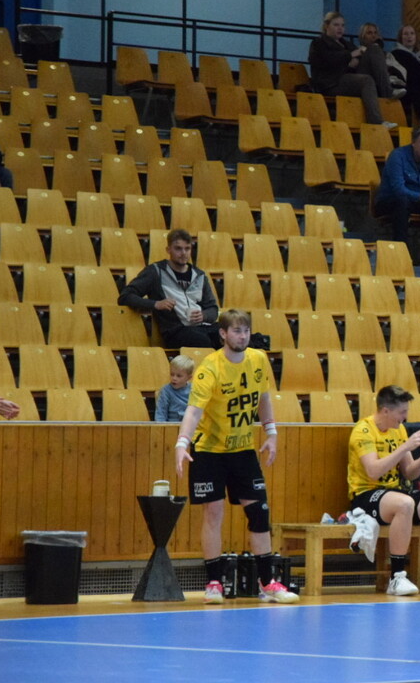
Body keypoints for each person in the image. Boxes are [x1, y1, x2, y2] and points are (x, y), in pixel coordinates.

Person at [174, 309, 299, 605]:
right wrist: (182, 443)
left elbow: (263, 398)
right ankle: (214, 583)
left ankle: (268, 583)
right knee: (214, 513)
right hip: (210, 451)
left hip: (243, 450)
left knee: (259, 512)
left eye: (246, 331)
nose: (242, 336)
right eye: (236, 331)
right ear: (223, 334)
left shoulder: (258, 359)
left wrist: (271, 433)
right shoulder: (210, 368)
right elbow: (194, 411)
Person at [348, 385, 420, 596]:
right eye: (402, 412)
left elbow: (410, 473)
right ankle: (397, 577)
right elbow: (373, 471)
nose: (405, 417)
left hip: (395, 493)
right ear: (386, 411)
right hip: (366, 495)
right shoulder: (363, 431)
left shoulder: (399, 429)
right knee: (404, 504)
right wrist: (405, 447)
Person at [119, 228, 221, 348]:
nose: (183, 253)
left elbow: (213, 309)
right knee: (202, 341)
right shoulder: (155, 272)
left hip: (202, 327)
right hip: (176, 331)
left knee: (232, 334)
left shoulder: (199, 275)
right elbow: (125, 296)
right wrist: (155, 304)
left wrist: (204, 315)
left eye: (187, 248)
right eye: (178, 248)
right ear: (168, 250)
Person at [307, 12, 398, 129]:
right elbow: (328, 60)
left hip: (349, 76)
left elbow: (359, 56)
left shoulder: (345, 43)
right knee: (366, 80)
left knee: (374, 49)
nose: (340, 28)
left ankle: (388, 89)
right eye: (336, 25)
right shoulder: (318, 43)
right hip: (332, 82)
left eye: (342, 25)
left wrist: (354, 58)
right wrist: (350, 56)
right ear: (326, 26)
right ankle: (376, 121)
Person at [356, 22, 406, 99]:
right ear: (363, 36)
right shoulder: (358, 51)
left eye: (375, 33)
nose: (373, 36)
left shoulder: (386, 54)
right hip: (365, 78)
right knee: (374, 48)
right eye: (369, 33)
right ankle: (389, 92)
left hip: (386, 79)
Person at [153, 354, 194, 423]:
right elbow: (160, 414)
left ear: (189, 378)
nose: (174, 378)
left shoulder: (194, 390)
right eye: (172, 374)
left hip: (190, 426)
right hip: (171, 426)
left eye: (179, 376)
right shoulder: (166, 390)